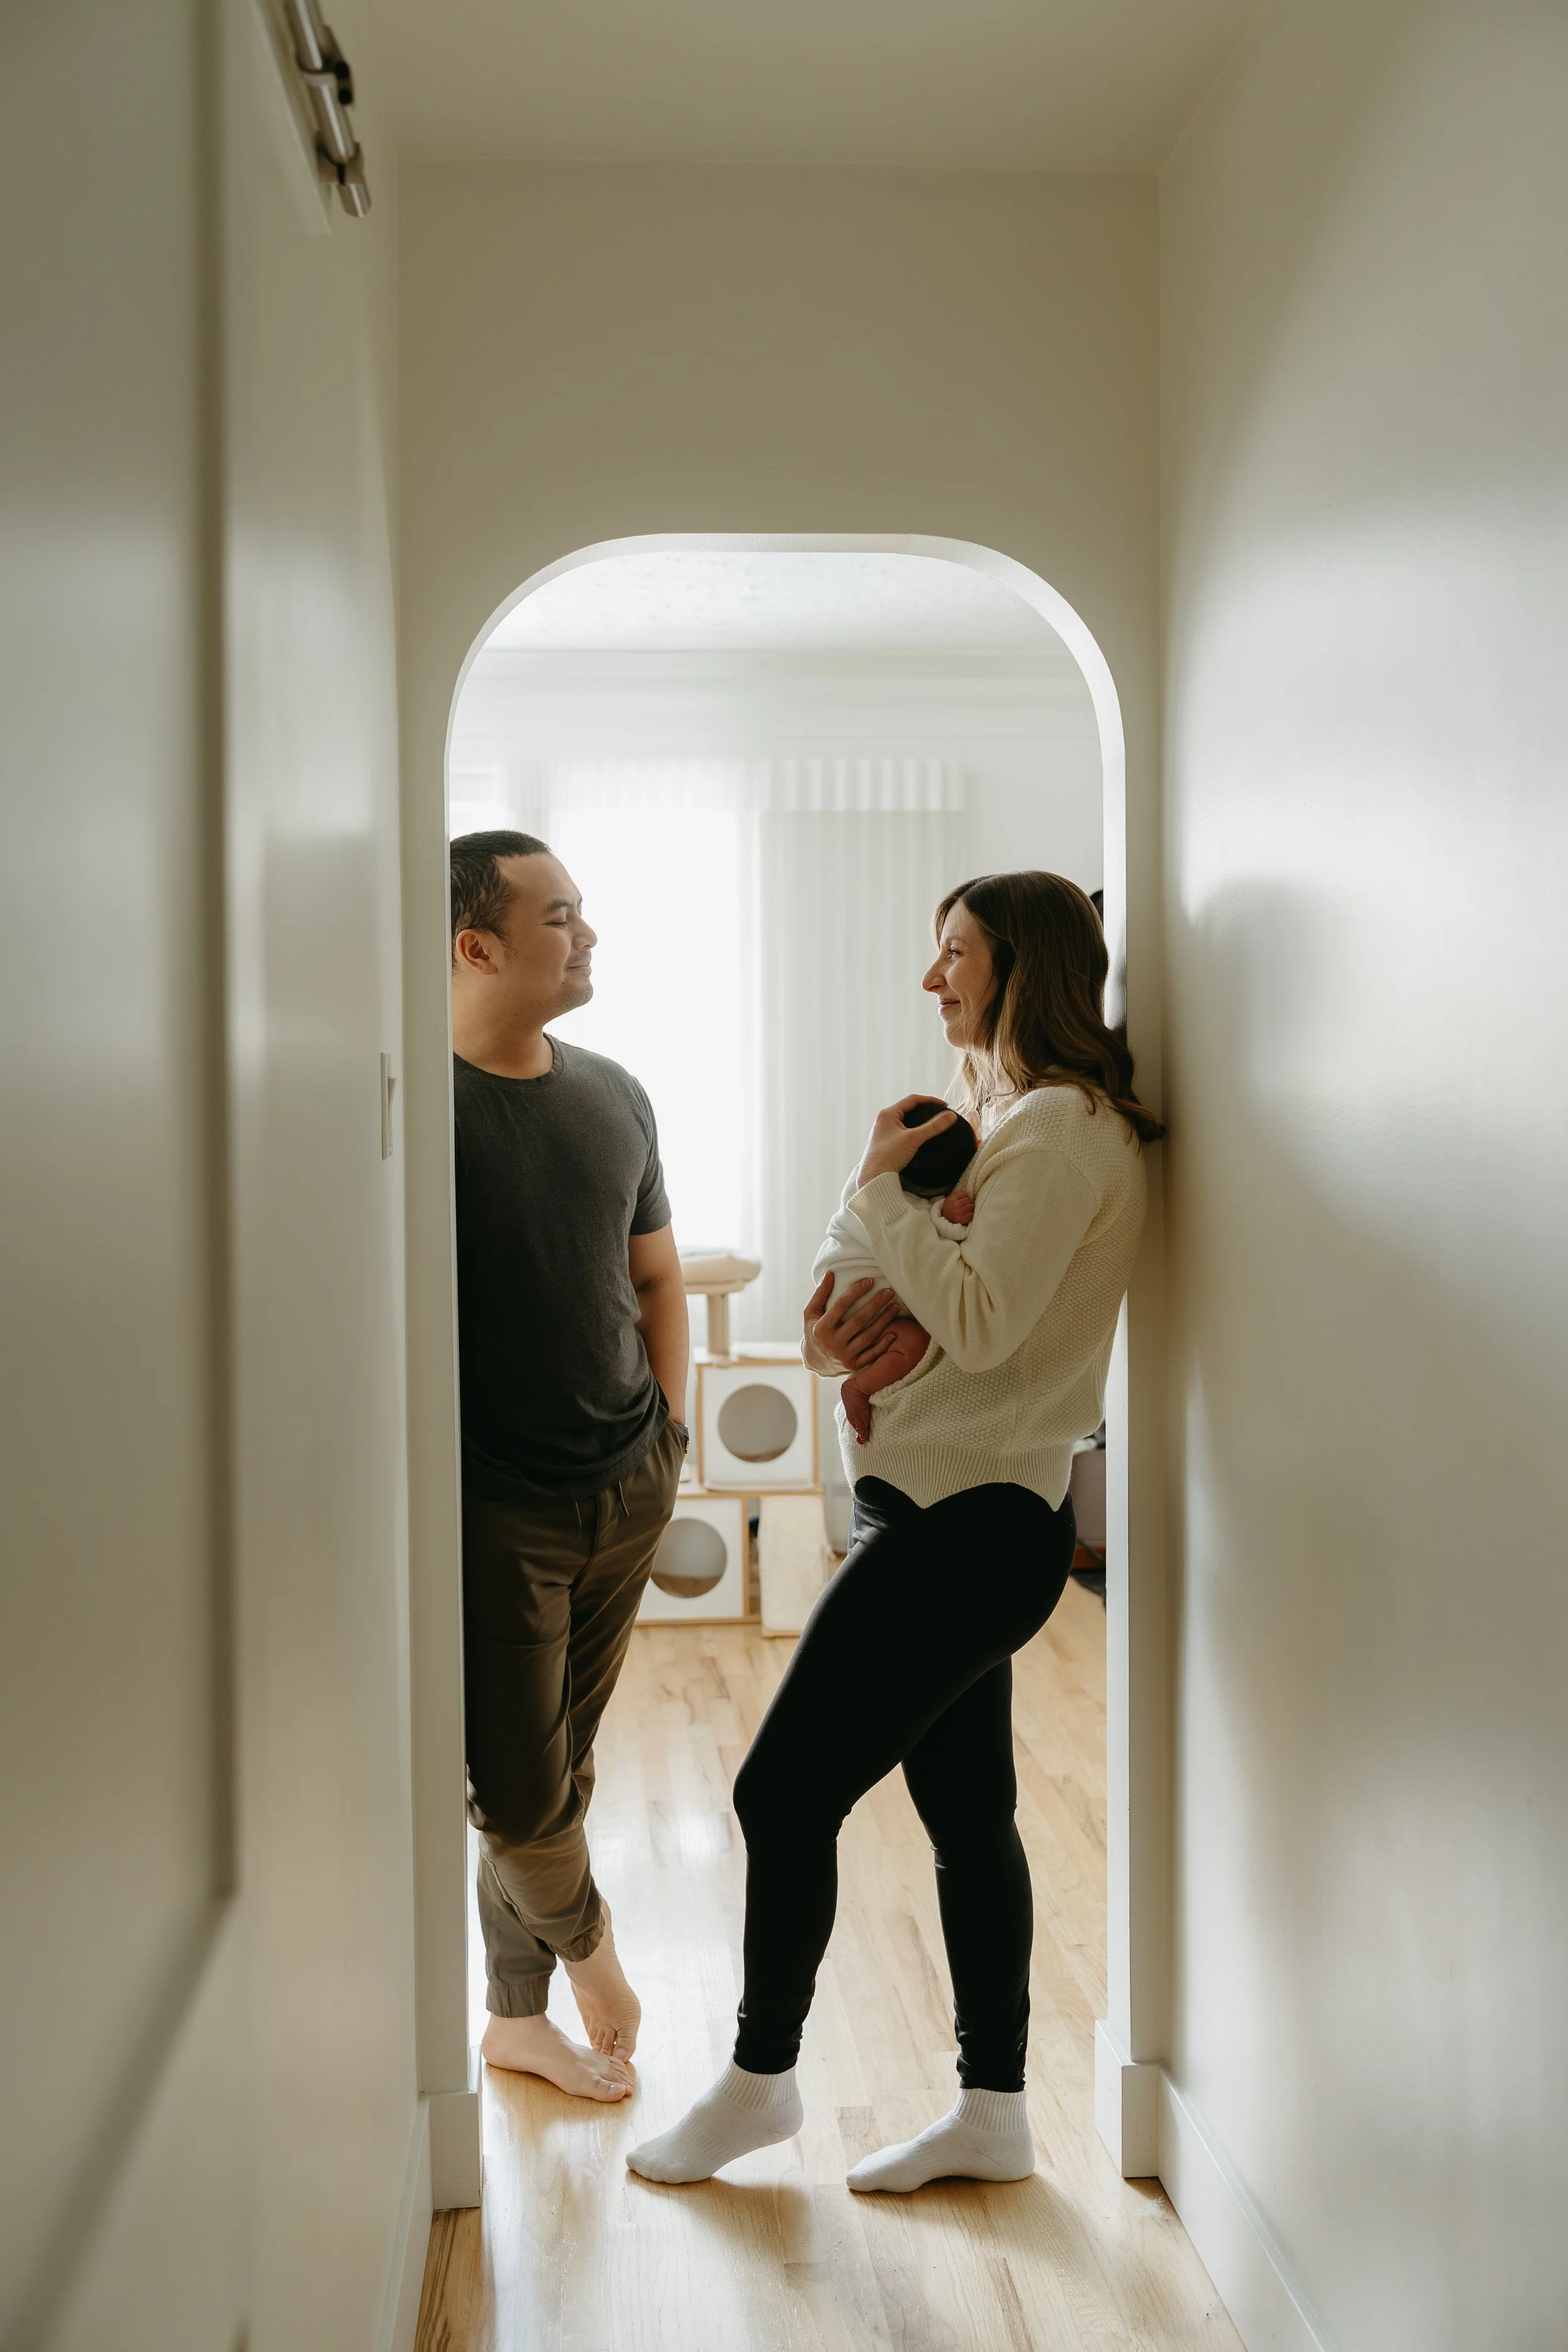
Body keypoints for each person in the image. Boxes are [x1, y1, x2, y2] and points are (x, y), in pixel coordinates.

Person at [628, 871, 1163, 2189]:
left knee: (777, 1794)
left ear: (1023, 965)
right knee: (967, 1817)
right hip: (935, 1510)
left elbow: (973, 1322)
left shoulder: (1060, 1130)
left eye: (955, 954)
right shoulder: (1007, 1125)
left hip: (970, 1525)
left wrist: (874, 1194)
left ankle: (760, 2082)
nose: (933, 980)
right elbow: (864, 1317)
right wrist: (837, 1331)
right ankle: (994, 2114)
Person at [451, 829, 689, 2104]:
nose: (586, 933)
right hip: (497, 1510)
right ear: (475, 947)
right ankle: (593, 1965)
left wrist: (671, 1438)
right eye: (557, 916)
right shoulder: (415, 1108)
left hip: (628, 1483)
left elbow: (655, 1279)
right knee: (520, 1790)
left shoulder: (616, 1093)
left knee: (563, 1770)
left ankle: (514, 2020)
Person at [811, 1099, 979, 1442]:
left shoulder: (865, 1175)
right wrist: (945, 1217)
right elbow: (916, 1242)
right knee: (913, 1342)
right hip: (862, 1298)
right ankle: (859, 1387)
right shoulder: (892, 1200)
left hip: (837, 1282)